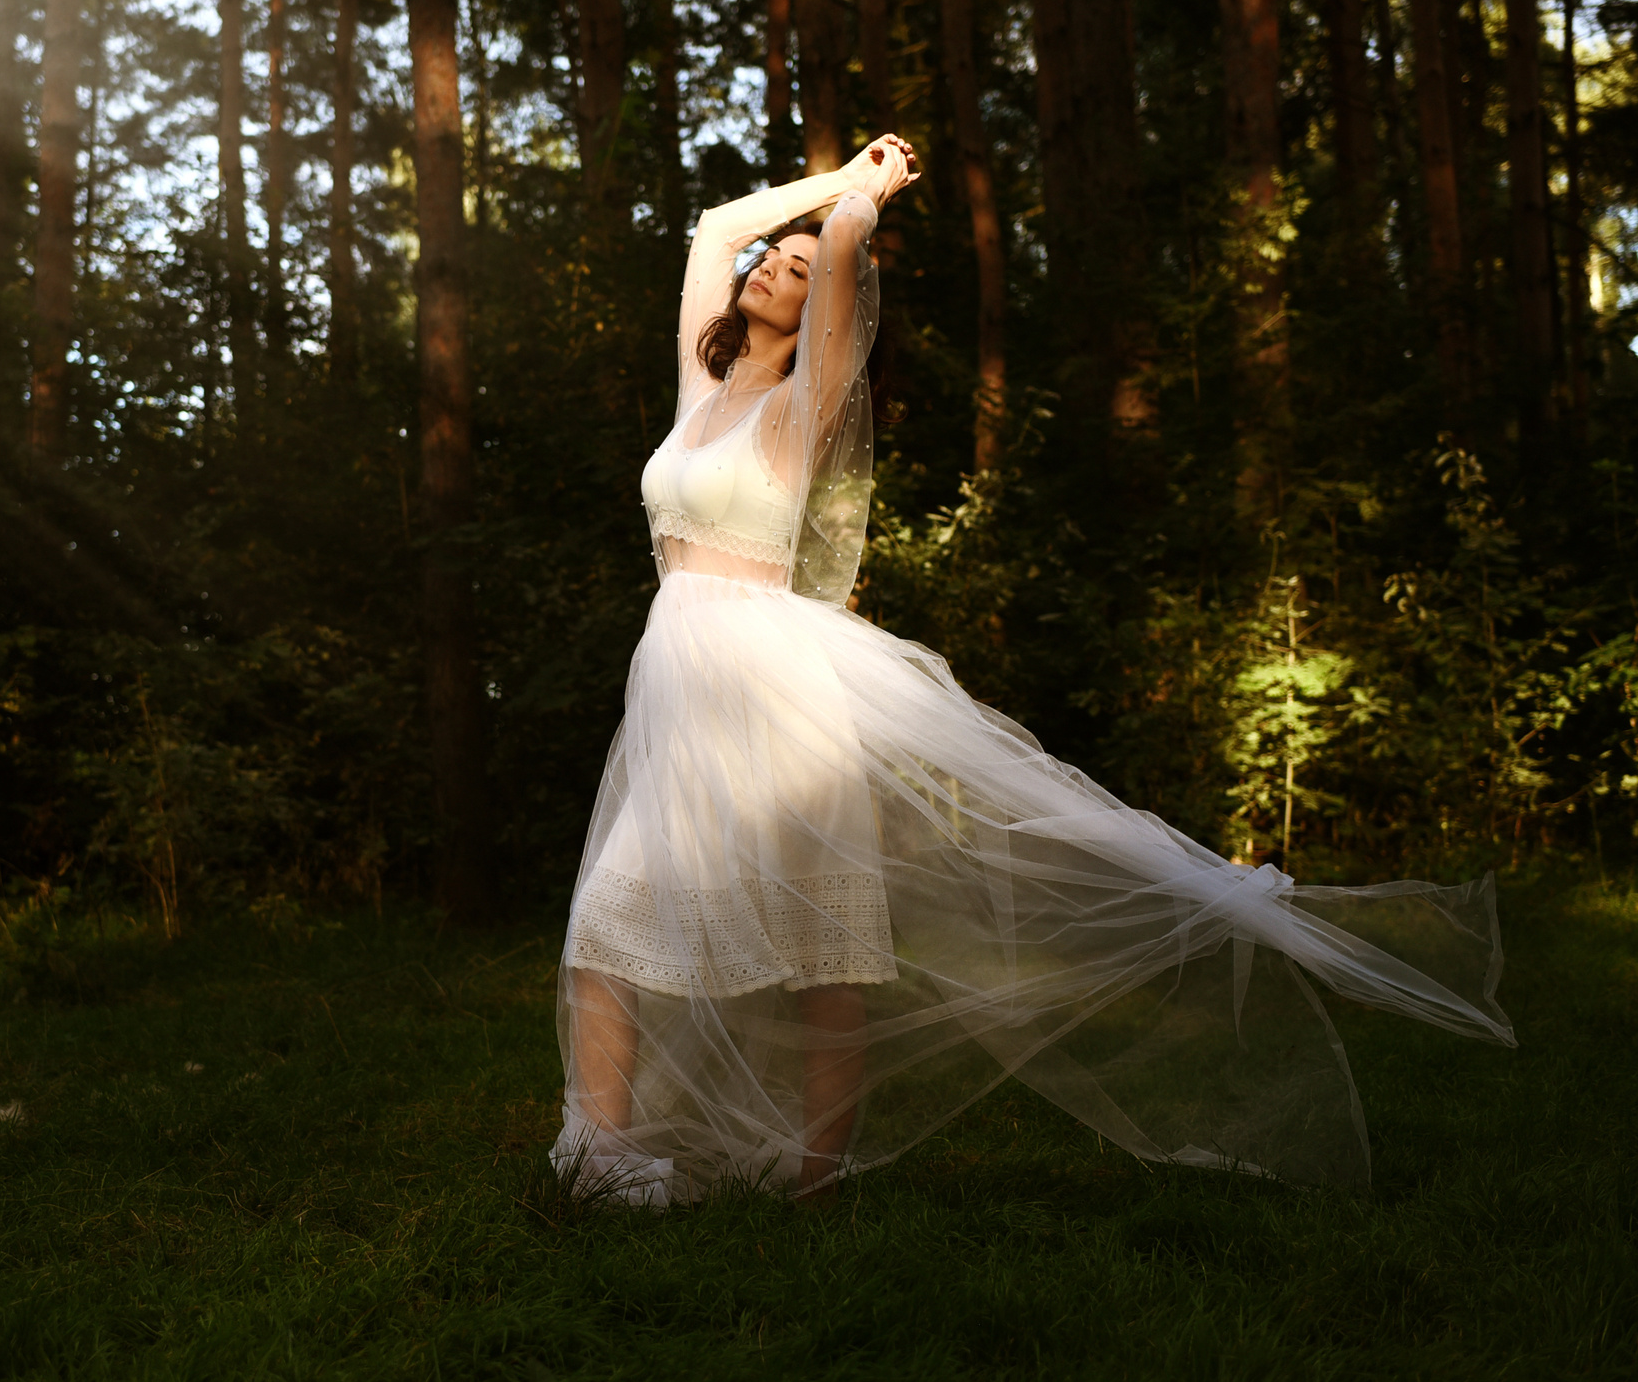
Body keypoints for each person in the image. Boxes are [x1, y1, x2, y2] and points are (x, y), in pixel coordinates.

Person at [553, 136, 1514, 1208]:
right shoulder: (700, 383)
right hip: (677, 682)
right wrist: (835, 181)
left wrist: (861, 209)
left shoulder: (808, 397)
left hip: (771, 685)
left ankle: (813, 1174)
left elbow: (828, 263)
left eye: (800, 261)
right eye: (768, 261)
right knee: (612, 919)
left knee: (818, 940)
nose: (778, 261)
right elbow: (717, 228)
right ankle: (600, 1156)